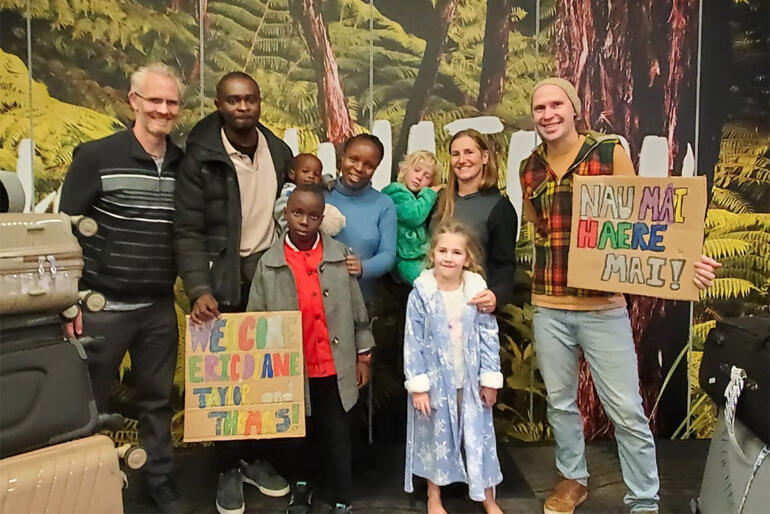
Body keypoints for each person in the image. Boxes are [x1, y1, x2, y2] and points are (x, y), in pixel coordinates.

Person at [518, 77, 722, 514]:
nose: (548, 114)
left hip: (602, 308)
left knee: (626, 410)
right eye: (539, 108)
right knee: (560, 403)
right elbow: (538, 226)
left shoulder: (608, 151)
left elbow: (643, 220)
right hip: (549, 304)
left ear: (574, 109)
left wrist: (688, 261)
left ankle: (644, 499)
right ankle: (573, 480)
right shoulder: (530, 167)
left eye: (556, 104)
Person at [59, 63, 185, 513]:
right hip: (101, 306)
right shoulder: (95, 156)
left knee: (156, 402)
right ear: (133, 101)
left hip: (157, 308)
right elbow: (63, 230)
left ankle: (158, 482)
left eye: (171, 102)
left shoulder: (182, 164)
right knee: (87, 404)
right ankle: (84, 490)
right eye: (155, 100)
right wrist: (67, 302)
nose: (163, 110)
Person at [174, 71, 293, 514]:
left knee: (264, 376)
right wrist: (199, 287)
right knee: (226, 378)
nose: (243, 107)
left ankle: (255, 460)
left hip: (269, 274)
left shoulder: (278, 151)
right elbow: (186, 230)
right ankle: (226, 468)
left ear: (260, 102)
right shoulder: (200, 156)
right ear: (219, 105)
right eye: (233, 100)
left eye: (250, 100)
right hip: (221, 277)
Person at [246, 185, 374, 514]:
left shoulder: (339, 255)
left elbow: (359, 314)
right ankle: (300, 488)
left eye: (314, 215)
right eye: (297, 213)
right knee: (295, 434)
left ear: (322, 218)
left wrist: (363, 356)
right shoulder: (269, 264)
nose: (305, 221)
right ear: (285, 214)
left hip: (334, 365)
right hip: (291, 368)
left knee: (336, 433)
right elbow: (255, 319)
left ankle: (341, 494)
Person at [403, 220, 504, 514]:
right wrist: (418, 386)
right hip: (435, 381)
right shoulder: (421, 294)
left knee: (478, 435)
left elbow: (488, 336)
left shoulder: (477, 294)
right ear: (433, 254)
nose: (449, 257)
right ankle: (434, 495)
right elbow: (413, 342)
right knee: (436, 434)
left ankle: (486, 494)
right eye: (443, 250)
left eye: (456, 252)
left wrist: (490, 379)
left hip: (470, 380)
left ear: (468, 259)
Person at [432, 129, 517, 313]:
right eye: (456, 154)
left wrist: (496, 295)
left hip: (473, 307)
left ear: (485, 157)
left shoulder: (499, 208)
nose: (462, 160)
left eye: (469, 152)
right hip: (432, 304)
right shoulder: (438, 200)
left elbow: (504, 264)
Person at [326, 134, 397, 299]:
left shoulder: (384, 204)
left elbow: (388, 254)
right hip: (317, 298)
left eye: (369, 165)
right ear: (342, 156)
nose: (359, 168)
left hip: (361, 300)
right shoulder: (320, 194)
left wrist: (363, 268)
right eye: (353, 159)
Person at [383, 150, 442, 284]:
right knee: (426, 284)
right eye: (417, 170)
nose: (420, 177)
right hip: (405, 257)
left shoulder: (415, 197)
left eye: (427, 176)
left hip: (418, 255)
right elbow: (413, 216)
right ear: (405, 169)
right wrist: (430, 194)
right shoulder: (395, 191)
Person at [273, 153, 346, 236]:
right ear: (292, 174)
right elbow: (280, 212)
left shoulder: (314, 187)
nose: (311, 176)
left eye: (316, 174)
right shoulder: (289, 192)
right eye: (305, 171)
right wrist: (291, 231)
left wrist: (328, 181)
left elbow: (324, 178)